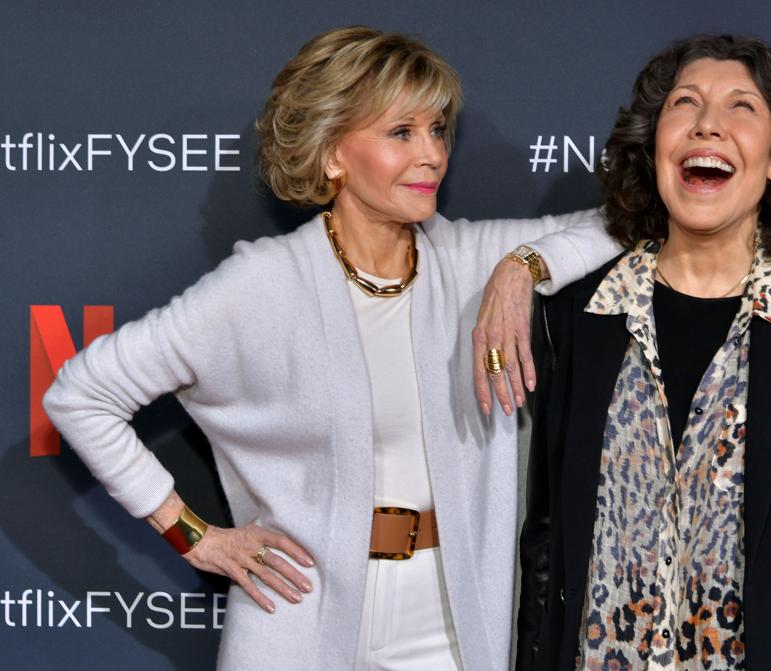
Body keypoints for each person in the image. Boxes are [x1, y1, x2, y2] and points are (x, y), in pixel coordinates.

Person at [43, 27, 621, 671]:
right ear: (331, 153)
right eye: (401, 132)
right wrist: (193, 535)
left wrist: (524, 266)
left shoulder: (470, 261)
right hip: (302, 622)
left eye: (437, 130)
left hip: (452, 626)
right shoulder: (263, 284)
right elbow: (80, 395)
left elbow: (626, 224)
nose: (432, 154)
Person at [516, 35, 771, 670]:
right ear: (654, 146)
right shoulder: (577, 316)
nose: (707, 125)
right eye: (686, 103)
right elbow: (546, 544)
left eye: (740, 107)